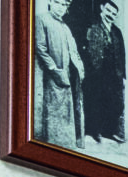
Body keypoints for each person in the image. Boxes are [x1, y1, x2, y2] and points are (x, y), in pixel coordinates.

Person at [33, 0, 84, 148]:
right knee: (53, 113)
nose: (62, 8)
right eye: (59, 3)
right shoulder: (41, 19)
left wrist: (80, 68)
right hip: (52, 77)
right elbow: (40, 48)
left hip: (68, 75)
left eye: (65, 5)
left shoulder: (65, 27)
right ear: (50, 2)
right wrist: (54, 69)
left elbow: (73, 51)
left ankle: (66, 146)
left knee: (67, 113)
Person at [80, 0, 125, 144]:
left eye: (114, 13)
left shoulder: (117, 32)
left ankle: (109, 132)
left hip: (114, 74)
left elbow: (122, 54)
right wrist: (88, 71)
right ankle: (93, 132)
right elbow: (86, 52)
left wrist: (123, 75)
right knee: (95, 102)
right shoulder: (92, 26)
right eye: (108, 11)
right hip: (97, 73)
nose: (110, 15)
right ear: (102, 9)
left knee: (114, 103)